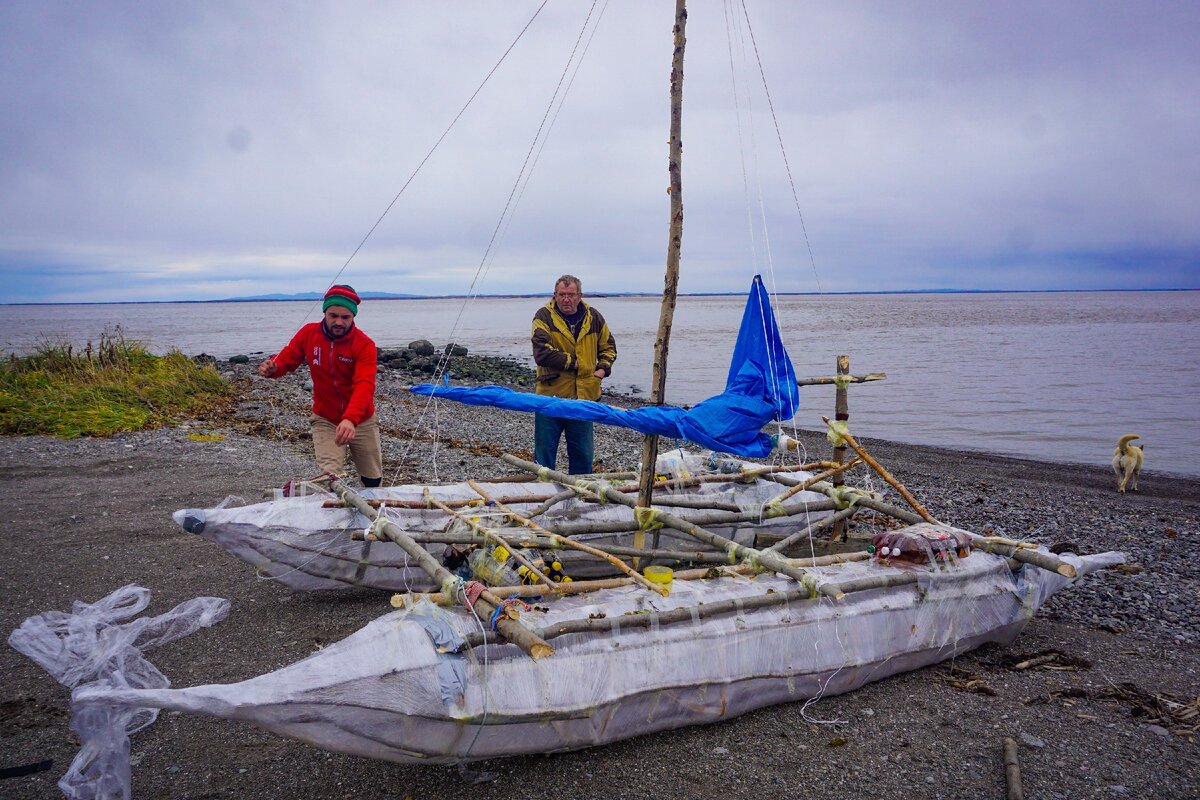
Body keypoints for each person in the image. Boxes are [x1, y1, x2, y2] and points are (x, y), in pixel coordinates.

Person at [258, 285, 383, 487]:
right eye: (333, 315)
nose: (339, 322)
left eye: (346, 317)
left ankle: (371, 511)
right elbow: (286, 360)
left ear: (353, 317)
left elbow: (364, 385)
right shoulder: (308, 334)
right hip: (325, 418)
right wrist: (273, 368)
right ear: (324, 312)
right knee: (330, 477)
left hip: (362, 419)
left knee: (372, 476)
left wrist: (351, 419)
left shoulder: (364, 345)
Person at [531, 274, 617, 474]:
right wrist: (576, 363)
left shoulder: (594, 317)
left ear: (580, 295)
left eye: (571, 295)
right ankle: (543, 491)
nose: (566, 299)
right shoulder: (543, 316)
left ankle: (580, 494)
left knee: (583, 455)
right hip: (550, 397)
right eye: (562, 294)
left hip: (584, 397)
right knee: (544, 454)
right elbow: (541, 353)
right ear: (555, 295)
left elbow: (609, 347)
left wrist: (602, 369)